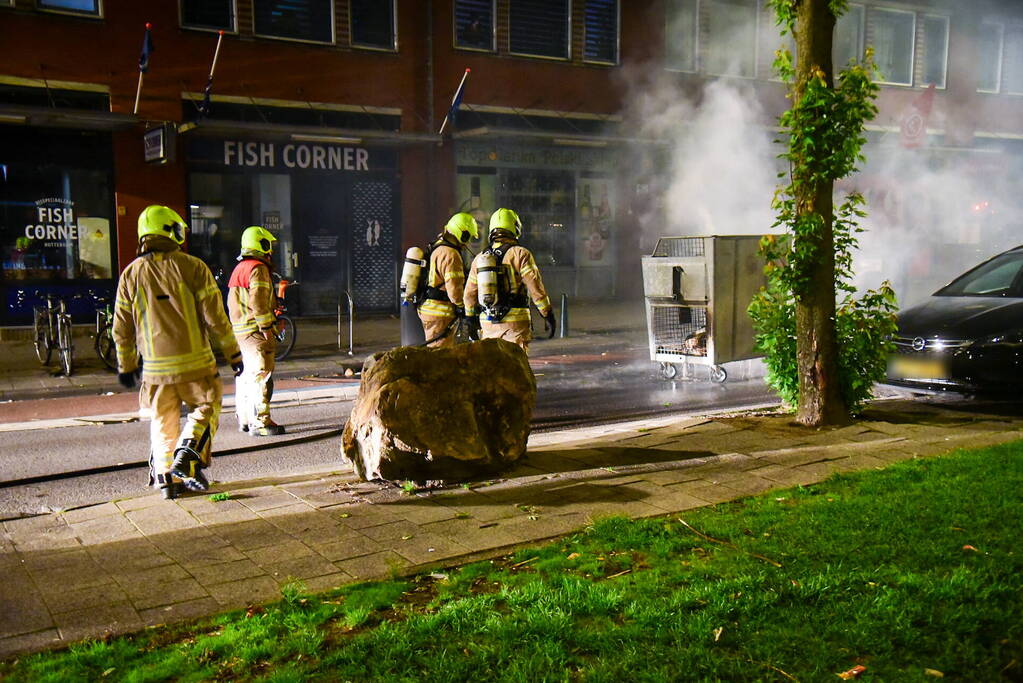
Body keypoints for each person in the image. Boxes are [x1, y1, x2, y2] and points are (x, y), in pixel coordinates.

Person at [112, 205, 243, 500]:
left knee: (162, 422)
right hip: (196, 363)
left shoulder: (130, 274)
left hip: (155, 370)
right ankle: (190, 449)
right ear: (172, 230)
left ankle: (167, 481)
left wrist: (127, 365)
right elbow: (216, 318)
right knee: (207, 408)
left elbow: (121, 329)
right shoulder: (194, 267)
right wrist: (233, 354)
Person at [464, 208, 555, 352]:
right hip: (515, 324)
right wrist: (547, 314)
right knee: (515, 368)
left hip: (487, 323)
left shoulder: (479, 258)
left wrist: (470, 320)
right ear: (515, 228)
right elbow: (535, 289)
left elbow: (469, 295)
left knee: (493, 366)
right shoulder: (521, 254)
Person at [228, 225, 285, 437]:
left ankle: (244, 419)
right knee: (262, 374)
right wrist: (267, 328)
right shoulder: (258, 268)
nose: (271, 250)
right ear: (261, 244)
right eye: (269, 245)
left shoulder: (240, 267)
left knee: (245, 376)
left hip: (240, 331)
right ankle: (261, 421)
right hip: (255, 332)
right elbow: (258, 302)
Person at [417, 212, 478, 347]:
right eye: (467, 237)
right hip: (440, 312)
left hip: (431, 308)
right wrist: (465, 307)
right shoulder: (451, 254)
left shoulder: (438, 245)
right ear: (461, 233)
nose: (467, 242)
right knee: (439, 355)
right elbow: (455, 291)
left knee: (439, 351)